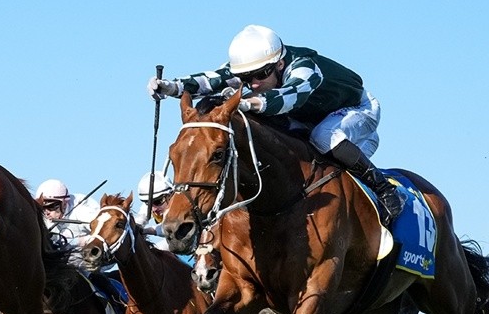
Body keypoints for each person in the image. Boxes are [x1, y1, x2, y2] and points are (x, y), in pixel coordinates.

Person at [148, 24, 403, 226]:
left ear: (280, 64)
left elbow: (289, 97)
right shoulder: (257, 68)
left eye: (261, 75)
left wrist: (248, 102)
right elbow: (210, 80)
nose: (253, 83)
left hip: (357, 109)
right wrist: (171, 87)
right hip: (311, 116)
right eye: (246, 78)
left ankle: (384, 189)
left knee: (322, 135)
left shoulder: (305, 68)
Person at [34, 179, 100, 259]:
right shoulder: (44, 217)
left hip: (89, 258)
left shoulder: (83, 213)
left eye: (51, 207)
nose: (46, 213)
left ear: (64, 203)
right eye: (43, 208)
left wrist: (82, 241)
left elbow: (103, 235)